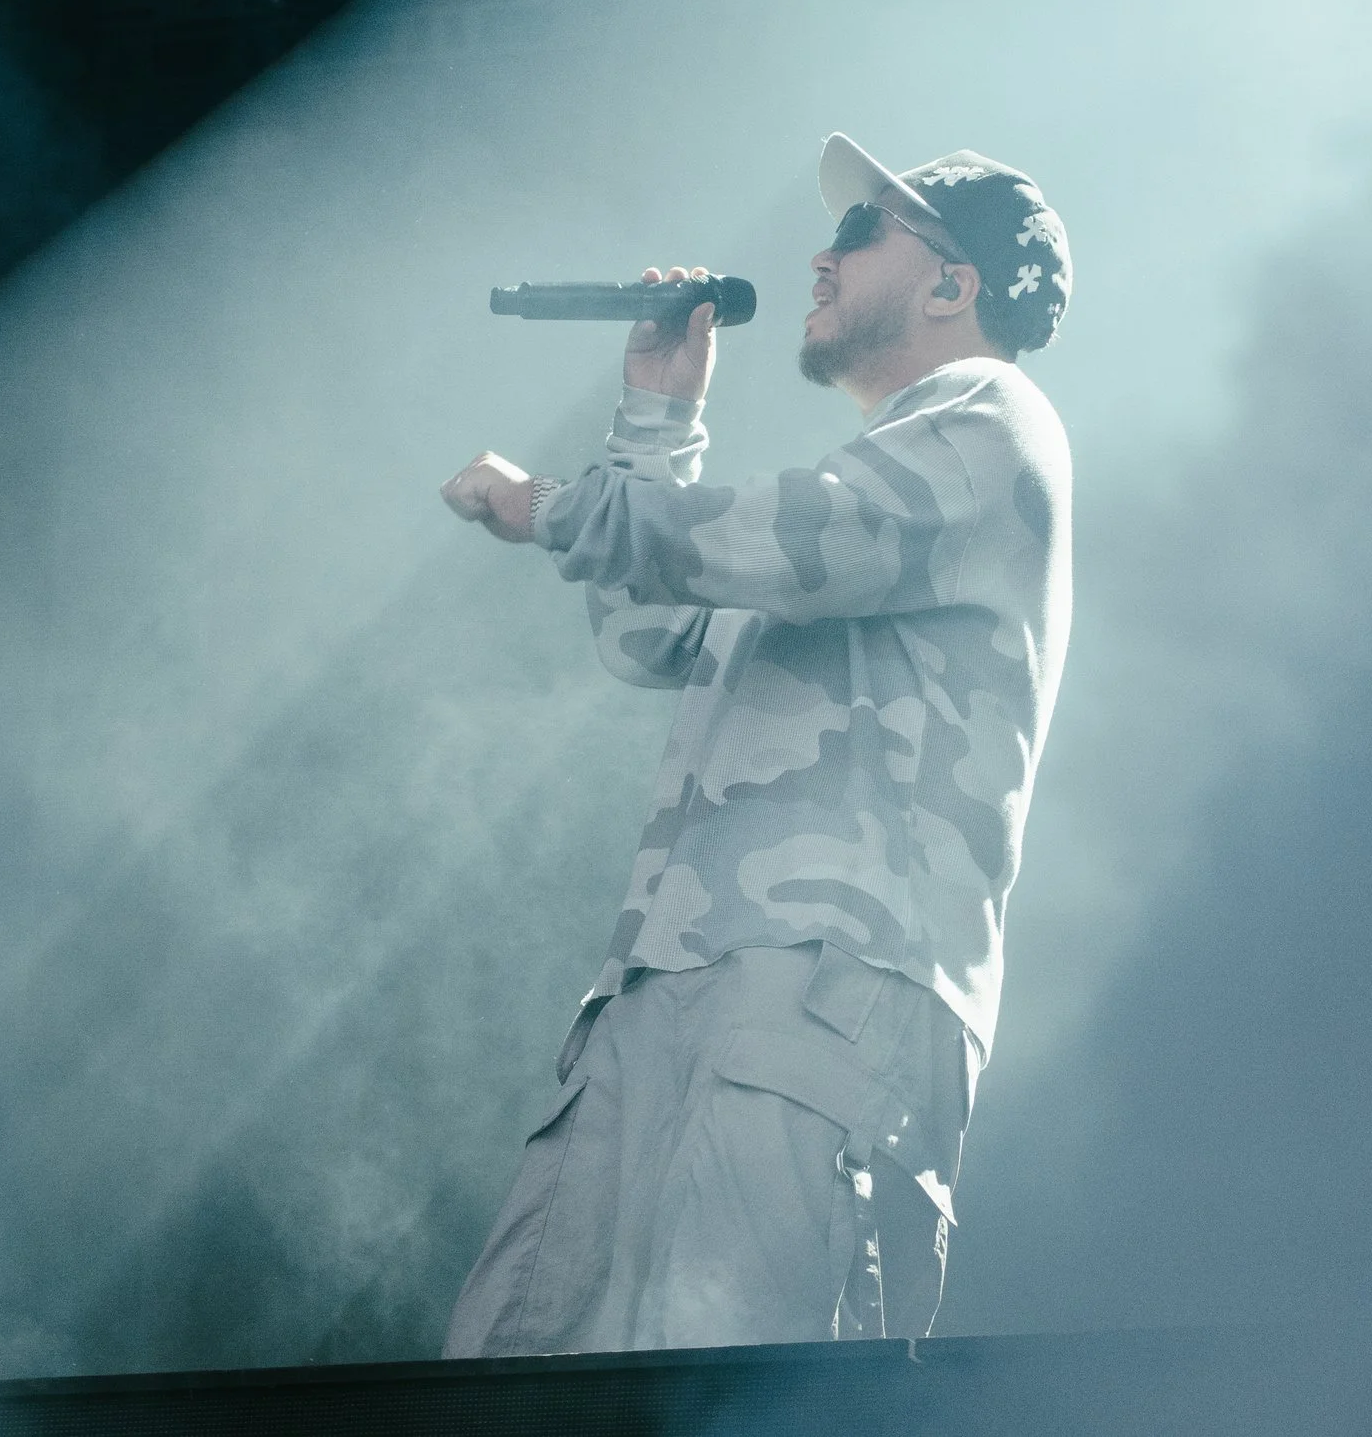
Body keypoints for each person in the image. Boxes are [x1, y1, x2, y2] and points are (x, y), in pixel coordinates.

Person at [436, 133, 1073, 1354]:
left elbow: (780, 539)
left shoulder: (993, 421)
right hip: (673, 985)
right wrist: (657, 416)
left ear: (952, 284)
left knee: (723, 1381)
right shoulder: (886, 470)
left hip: (832, 991)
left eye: (858, 233)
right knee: (520, 1371)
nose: (819, 261)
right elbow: (651, 630)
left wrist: (547, 505)